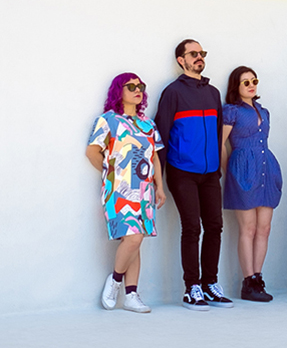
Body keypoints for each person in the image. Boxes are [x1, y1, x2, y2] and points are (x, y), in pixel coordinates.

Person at [155, 38, 233, 310]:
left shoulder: (212, 93)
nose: (199, 57)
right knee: (192, 228)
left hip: (210, 173)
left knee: (215, 226)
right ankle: (192, 288)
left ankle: (210, 284)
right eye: (193, 54)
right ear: (181, 60)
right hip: (182, 172)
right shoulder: (173, 93)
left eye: (202, 53)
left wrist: (219, 170)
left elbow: (217, 133)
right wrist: (159, 182)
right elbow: (161, 137)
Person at [86, 73, 166, 314]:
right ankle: (116, 280)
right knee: (133, 238)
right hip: (118, 191)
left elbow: (154, 156)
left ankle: (131, 295)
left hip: (144, 191)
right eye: (130, 86)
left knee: (135, 240)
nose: (137, 89)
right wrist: (113, 173)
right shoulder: (107, 121)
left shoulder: (148, 124)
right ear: (118, 91)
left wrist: (159, 186)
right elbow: (92, 152)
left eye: (140, 86)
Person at [221, 67, 283, 302]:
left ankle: (258, 277)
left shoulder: (263, 111)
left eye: (254, 80)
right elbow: (222, 144)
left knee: (264, 228)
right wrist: (231, 171)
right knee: (247, 228)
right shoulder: (232, 111)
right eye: (245, 82)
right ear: (235, 86)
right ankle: (248, 282)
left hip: (266, 170)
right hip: (242, 171)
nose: (251, 85)